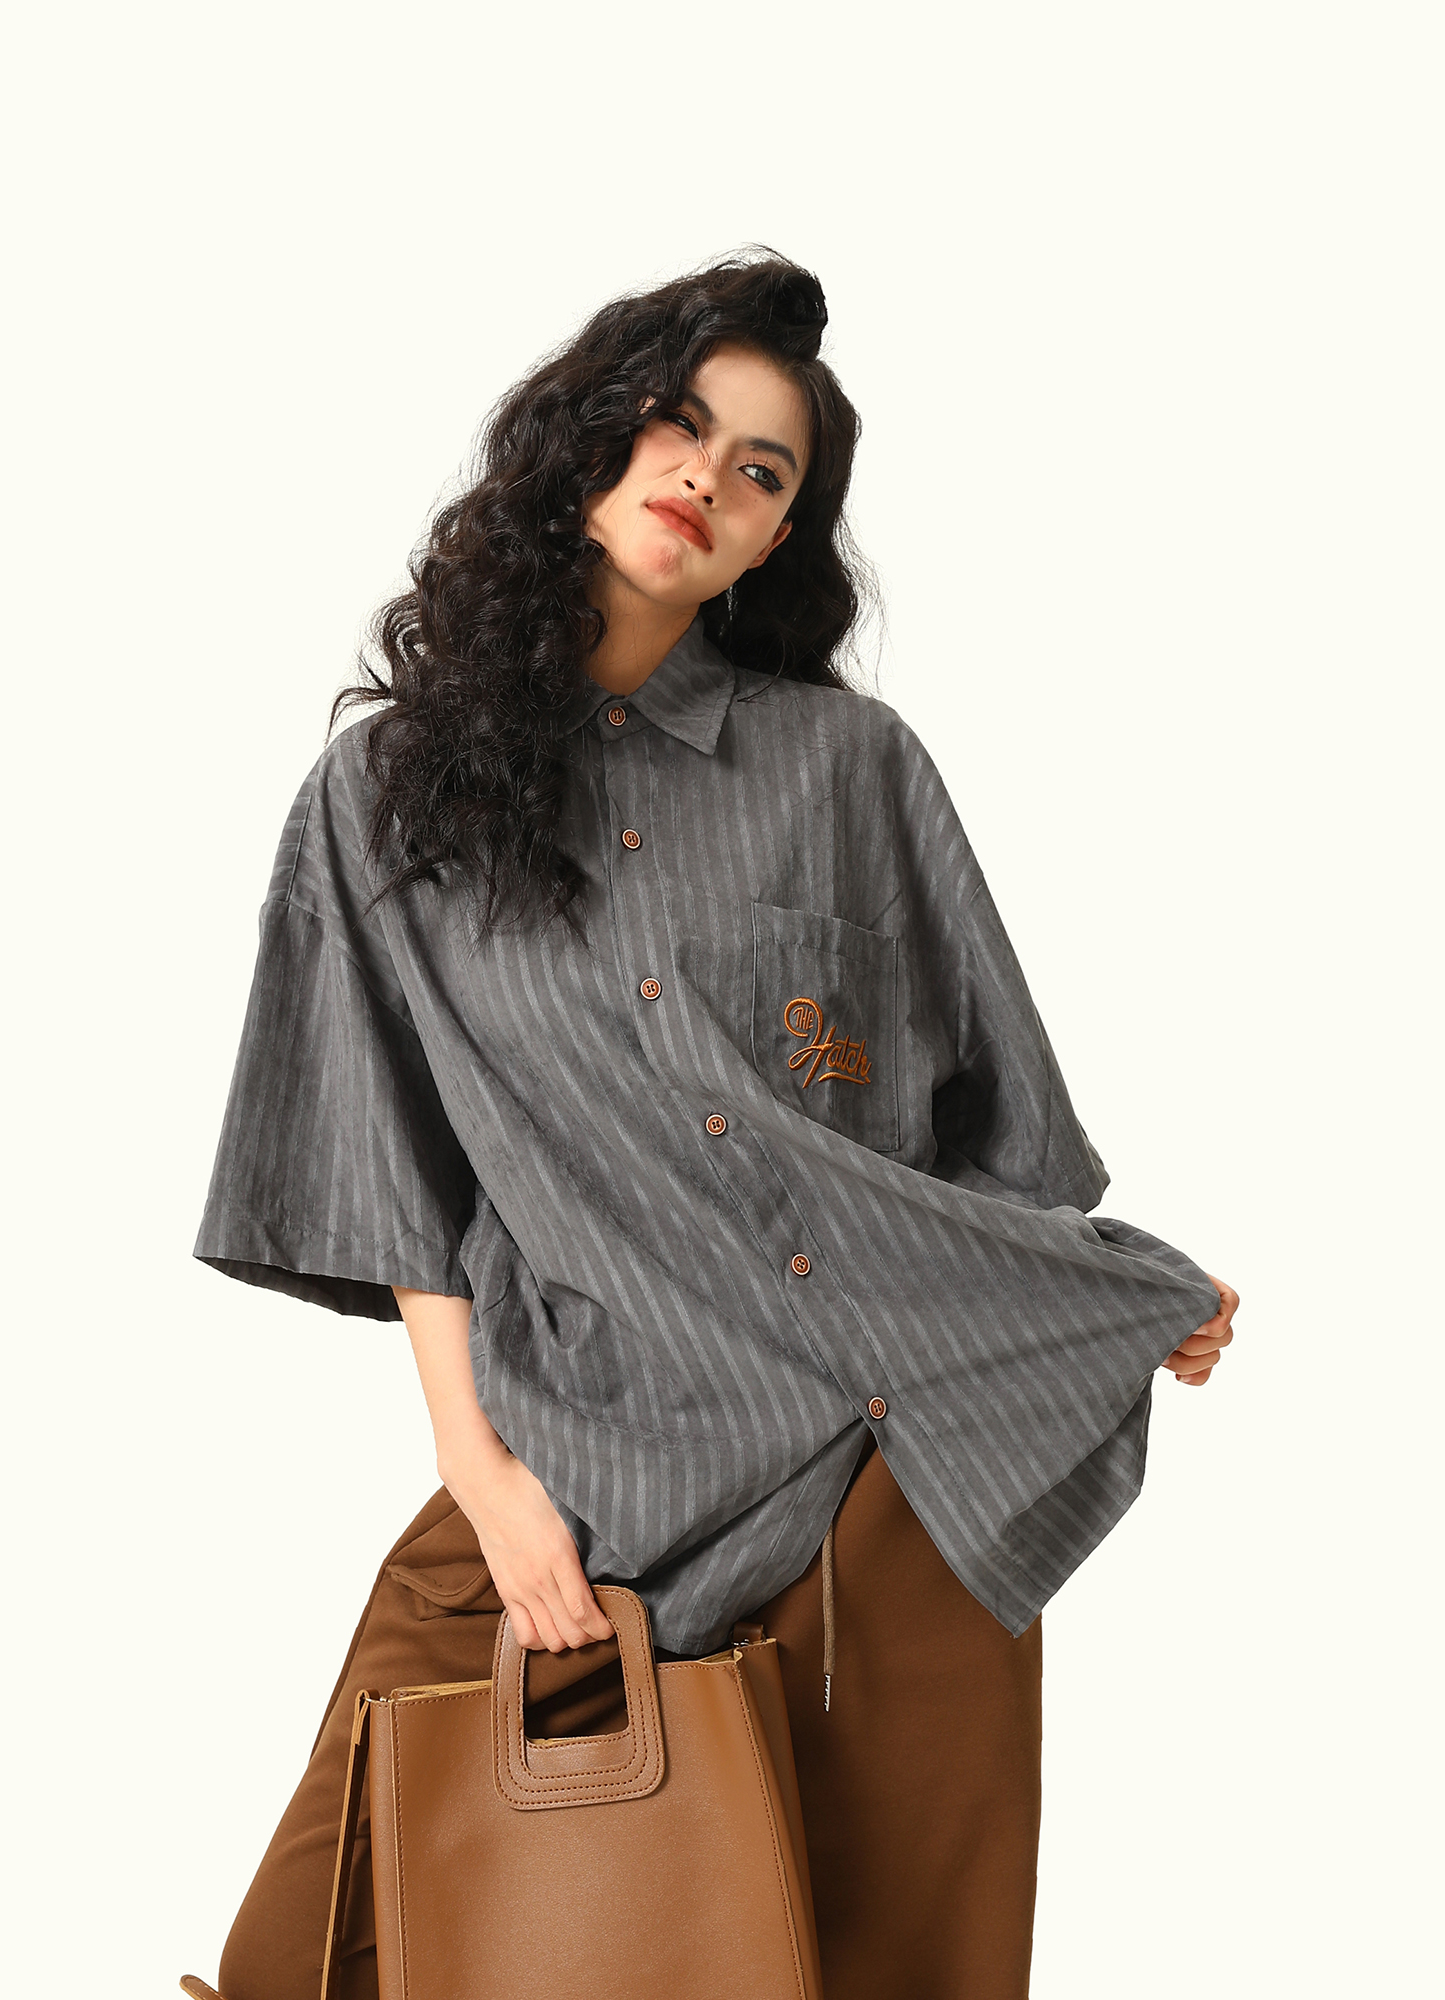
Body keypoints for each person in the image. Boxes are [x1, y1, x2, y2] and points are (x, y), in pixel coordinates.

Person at [186, 251, 1238, 2000]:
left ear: (775, 542)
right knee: (309, 1961)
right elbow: (384, 1165)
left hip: (883, 1486)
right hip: (578, 1469)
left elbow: (993, 1146)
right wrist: (484, 1481)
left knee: (879, 1971)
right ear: (585, 442)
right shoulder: (381, 798)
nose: (708, 477)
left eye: (762, 471)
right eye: (679, 425)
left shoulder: (855, 770)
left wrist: (1111, 1297)